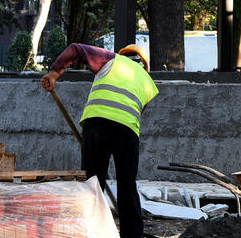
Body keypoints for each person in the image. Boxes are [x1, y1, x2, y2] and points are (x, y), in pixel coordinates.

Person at [41, 43, 158, 238]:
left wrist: (54, 74)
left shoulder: (111, 59)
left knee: (92, 183)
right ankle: (133, 234)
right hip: (127, 130)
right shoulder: (148, 82)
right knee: (127, 184)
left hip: (95, 124)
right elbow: (136, 112)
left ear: (123, 55)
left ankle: (88, 231)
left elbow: (76, 49)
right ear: (144, 66)